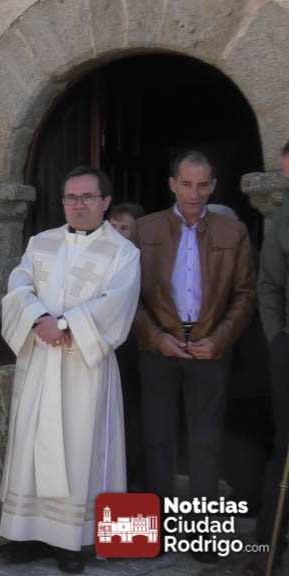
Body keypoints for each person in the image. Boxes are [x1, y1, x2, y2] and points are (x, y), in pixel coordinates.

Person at [0, 167, 140, 574]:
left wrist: (62, 325)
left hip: (84, 369)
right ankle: (26, 533)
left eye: (87, 197)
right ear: (62, 202)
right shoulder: (41, 242)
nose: (78, 205)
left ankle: (74, 541)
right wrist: (38, 318)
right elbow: (18, 286)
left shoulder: (122, 252)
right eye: (71, 198)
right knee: (31, 445)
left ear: (105, 201)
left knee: (80, 448)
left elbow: (116, 303)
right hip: (40, 361)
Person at [133, 150, 256, 564]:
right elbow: (127, 295)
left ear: (214, 186)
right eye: (186, 184)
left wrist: (219, 340)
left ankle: (202, 535)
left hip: (209, 349)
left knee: (206, 444)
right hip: (158, 348)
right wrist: (156, 337)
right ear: (172, 184)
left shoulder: (233, 231)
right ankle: (151, 534)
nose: (194, 193)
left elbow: (245, 294)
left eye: (203, 185)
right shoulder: (145, 229)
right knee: (157, 440)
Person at [253, 139, 289, 573]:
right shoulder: (283, 219)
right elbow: (269, 285)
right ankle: (268, 543)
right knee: (285, 446)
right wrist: (278, 339)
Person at [107, 202, 146, 490]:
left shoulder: (141, 260)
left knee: (130, 419)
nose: (117, 233)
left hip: (134, 349)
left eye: (125, 228)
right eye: (113, 226)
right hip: (104, 349)